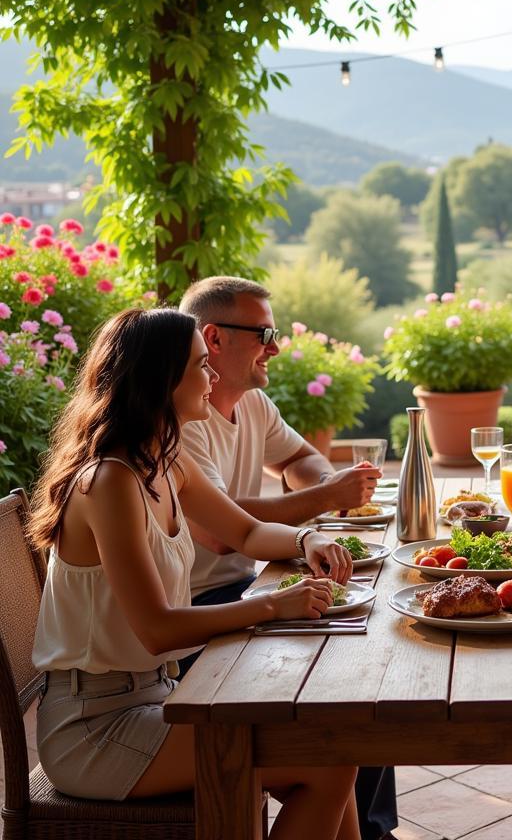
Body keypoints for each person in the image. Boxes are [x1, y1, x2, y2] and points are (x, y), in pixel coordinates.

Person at [29, 307, 361, 839]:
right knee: (326, 763)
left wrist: (308, 537)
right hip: (94, 727)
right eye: (203, 365)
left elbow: (248, 533)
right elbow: (157, 628)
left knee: (331, 747)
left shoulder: (166, 460)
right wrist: (273, 605)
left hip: (157, 698)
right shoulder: (110, 482)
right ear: (164, 379)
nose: (213, 378)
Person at [176, 276, 398, 840]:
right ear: (214, 340)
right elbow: (222, 533)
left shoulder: (251, 403)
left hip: (242, 589)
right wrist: (324, 500)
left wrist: (326, 496)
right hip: (198, 614)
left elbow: (301, 459)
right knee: (349, 655)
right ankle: (370, 830)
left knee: (359, 638)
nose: (276, 347)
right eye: (265, 333)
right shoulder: (177, 430)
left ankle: (372, 829)